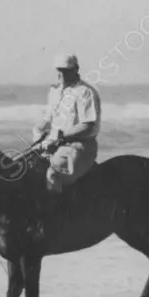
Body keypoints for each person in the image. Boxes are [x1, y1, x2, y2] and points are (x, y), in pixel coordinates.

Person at [32, 53, 101, 195]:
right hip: (54, 146)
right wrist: (38, 131)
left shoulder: (85, 92)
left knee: (53, 174)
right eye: (59, 70)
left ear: (76, 69)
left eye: (66, 71)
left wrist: (60, 137)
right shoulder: (54, 91)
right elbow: (47, 119)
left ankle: (55, 215)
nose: (62, 74)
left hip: (79, 147)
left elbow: (87, 126)